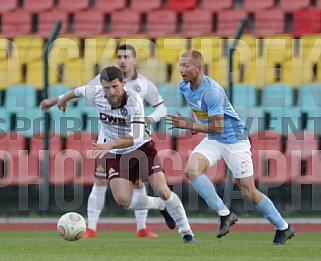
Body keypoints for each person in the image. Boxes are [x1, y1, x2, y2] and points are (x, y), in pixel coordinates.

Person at [40, 66, 196, 244]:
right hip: (115, 153)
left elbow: (135, 136)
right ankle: (160, 205)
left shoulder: (133, 101)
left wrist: (110, 144)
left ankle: (186, 233)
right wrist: (58, 101)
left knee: (163, 190)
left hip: (141, 148)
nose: (111, 92)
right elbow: (77, 91)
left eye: (115, 86)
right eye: (107, 88)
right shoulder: (96, 93)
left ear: (123, 83)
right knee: (124, 200)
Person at [166, 50, 294, 245]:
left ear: (198, 68)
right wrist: (194, 121)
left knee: (248, 193)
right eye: (180, 65)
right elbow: (198, 109)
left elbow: (219, 126)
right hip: (214, 139)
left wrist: (190, 126)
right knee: (191, 171)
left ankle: (283, 227)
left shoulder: (212, 91)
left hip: (234, 139)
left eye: (186, 66)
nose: (181, 70)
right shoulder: (184, 86)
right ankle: (225, 213)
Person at [83, 44, 169, 238]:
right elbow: (86, 91)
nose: (122, 60)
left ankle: (141, 228)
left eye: (126, 57)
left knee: (138, 182)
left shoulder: (144, 84)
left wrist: (149, 119)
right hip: (108, 140)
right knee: (100, 178)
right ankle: (91, 228)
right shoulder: (104, 78)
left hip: (135, 140)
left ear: (134, 60)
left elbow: (162, 108)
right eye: (119, 56)